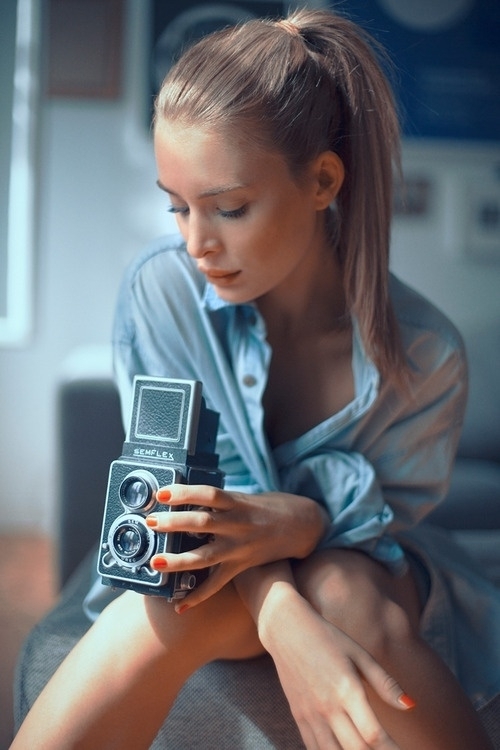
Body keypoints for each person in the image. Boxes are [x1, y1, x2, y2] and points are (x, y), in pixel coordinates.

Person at [12, 8, 499, 749]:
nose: (196, 243)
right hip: (213, 553)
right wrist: (282, 618)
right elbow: (199, 516)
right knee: (160, 610)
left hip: (368, 563)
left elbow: (367, 533)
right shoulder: (163, 293)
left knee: (346, 589)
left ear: (322, 182)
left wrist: (303, 525)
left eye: (229, 208)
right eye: (176, 207)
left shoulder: (428, 356)